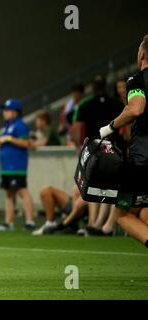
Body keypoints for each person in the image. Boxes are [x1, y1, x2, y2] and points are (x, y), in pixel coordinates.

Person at [99, 35, 148, 248]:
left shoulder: (136, 80)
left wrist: (110, 127)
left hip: (143, 163)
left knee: (122, 212)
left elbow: (136, 108)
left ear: (142, 54)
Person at [0, 99, 35, 231]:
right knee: (9, 193)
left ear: (15, 112)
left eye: (7, 110)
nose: (4, 113)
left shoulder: (21, 125)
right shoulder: (7, 126)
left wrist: (9, 139)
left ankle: (30, 221)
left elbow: (26, 143)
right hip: (6, 167)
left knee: (22, 191)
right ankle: (8, 223)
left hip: (17, 165)